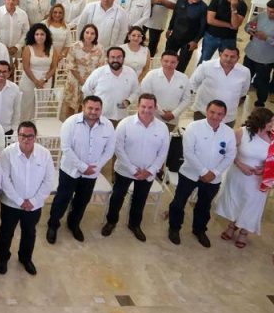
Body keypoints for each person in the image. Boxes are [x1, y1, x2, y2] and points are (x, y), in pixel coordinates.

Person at [47, 96, 115, 246]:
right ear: (83, 107)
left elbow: (109, 150)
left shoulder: (108, 125)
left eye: (97, 109)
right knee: (62, 198)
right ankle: (53, 224)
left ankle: (74, 223)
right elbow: (66, 148)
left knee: (82, 200)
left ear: (101, 110)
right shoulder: (70, 123)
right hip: (70, 170)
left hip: (92, 173)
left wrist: (96, 167)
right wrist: (83, 167)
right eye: (90, 108)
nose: (93, 112)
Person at [167, 100, 235, 248]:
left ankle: (199, 230)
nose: (215, 116)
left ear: (224, 115)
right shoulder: (194, 127)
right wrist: (203, 172)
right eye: (212, 112)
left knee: (204, 206)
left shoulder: (229, 132)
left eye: (219, 114)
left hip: (213, 178)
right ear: (206, 111)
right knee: (179, 203)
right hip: (189, 174)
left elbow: (230, 156)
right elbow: (188, 152)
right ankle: (174, 228)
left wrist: (214, 173)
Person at [103, 94, 170, 242]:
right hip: (125, 170)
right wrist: (132, 169)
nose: (146, 110)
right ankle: (111, 221)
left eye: (150, 107)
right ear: (138, 106)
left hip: (147, 173)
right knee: (117, 197)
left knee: (140, 200)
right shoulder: (125, 124)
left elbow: (163, 152)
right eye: (143, 106)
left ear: (155, 108)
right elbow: (118, 148)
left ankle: (134, 225)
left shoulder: (162, 128)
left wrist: (150, 171)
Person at [0, 121, 53, 276]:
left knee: (29, 233)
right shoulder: (7, 153)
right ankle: (3, 258)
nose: (26, 139)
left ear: (35, 137)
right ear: (17, 136)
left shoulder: (44, 154)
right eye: (22, 135)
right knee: (6, 232)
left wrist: (33, 201)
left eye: (30, 136)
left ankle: (25, 258)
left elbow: (48, 181)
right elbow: (5, 181)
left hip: (34, 205)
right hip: (11, 204)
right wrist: (20, 201)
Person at [215, 107, 273, 249]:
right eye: (270, 122)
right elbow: (228, 151)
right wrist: (240, 164)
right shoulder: (241, 133)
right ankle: (232, 225)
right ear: (260, 122)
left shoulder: (272, 138)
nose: (272, 124)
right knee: (236, 200)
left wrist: (264, 169)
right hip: (237, 174)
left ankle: (244, 232)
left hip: (257, 179)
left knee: (252, 204)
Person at [190, 47, 251, 126]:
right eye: (226, 55)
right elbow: (192, 84)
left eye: (232, 57)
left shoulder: (245, 72)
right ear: (220, 54)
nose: (228, 59)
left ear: (238, 58)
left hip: (228, 117)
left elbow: (243, 92)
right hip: (203, 113)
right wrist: (193, 102)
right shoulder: (206, 66)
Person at [19, 23, 59, 121]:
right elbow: (26, 67)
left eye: (42, 34)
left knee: (42, 105)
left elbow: (53, 67)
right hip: (29, 80)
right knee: (26, 105)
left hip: (45, 81)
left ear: (46, 36)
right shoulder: (28, 48)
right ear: (33, 35)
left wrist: (44, 80)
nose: (39, 37)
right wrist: (35, 81)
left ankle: (39, 126)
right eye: (37, 34)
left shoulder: (52, 49)